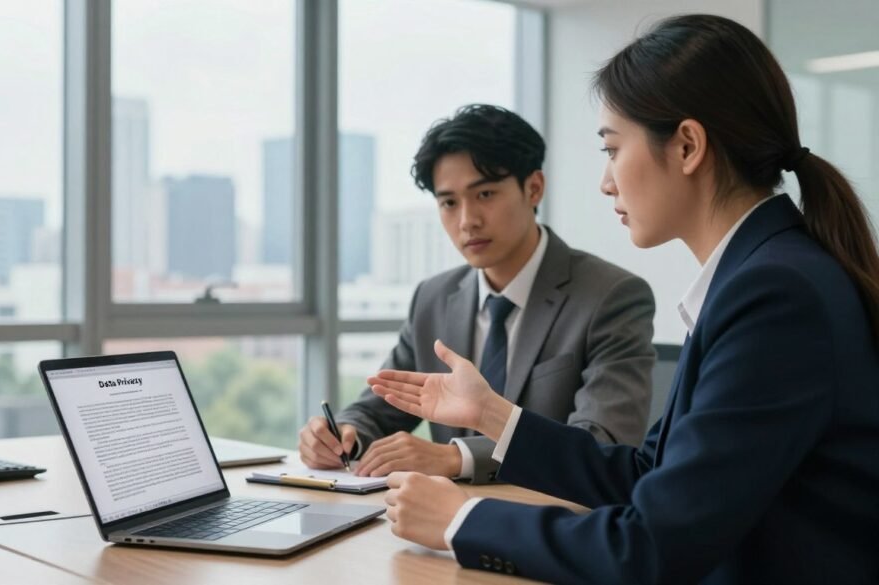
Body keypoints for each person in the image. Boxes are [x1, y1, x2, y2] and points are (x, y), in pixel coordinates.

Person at [368, 14, 879, 584]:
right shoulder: (761, 274)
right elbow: (647, 472)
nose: (606, 182)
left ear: (687, 145)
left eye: (612, 149)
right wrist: (490, 413)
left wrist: (463, 520)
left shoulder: (774, 294)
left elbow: (652, 547)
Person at [298, 105, 656, 483]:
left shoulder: (611, 296)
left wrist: (458, 458)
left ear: (534, 188)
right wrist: (343, 435)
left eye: (484, 194)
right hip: (442, 521)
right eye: (449, 202)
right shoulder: (433, 298)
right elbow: (381, 407)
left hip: (555, 521)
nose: (467, 220)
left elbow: (601, 443)